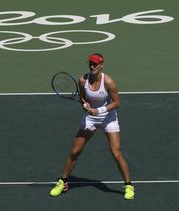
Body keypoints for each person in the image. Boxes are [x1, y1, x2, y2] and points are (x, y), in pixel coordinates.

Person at [50, 53, 135, 200]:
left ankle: (129, 186)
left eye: (95, 64)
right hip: (91, 118)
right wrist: (85, 105)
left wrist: (99, 110)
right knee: (75, 151)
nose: (92, 66)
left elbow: (117, 103)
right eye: (90, 63)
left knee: (116, 152)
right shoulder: (83, 80)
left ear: (102, 65)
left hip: (108, 118)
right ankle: (62, 183)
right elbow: (83, 97)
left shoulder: (108, 81)